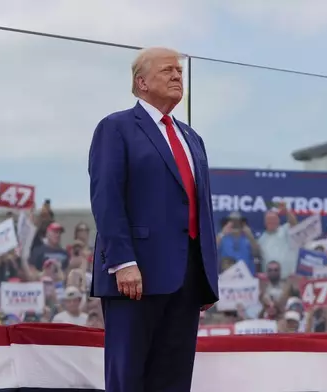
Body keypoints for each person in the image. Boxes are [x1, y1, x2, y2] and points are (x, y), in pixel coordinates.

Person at [88, 47, 219, 392]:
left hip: (187, 279)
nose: (178, 76)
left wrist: (206, 275)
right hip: (136, 275)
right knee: (129, 376)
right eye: (168, 71)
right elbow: (106, 197)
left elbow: (201, 208)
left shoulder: (193, 138)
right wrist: (122, 261)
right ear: (141, 82)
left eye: (179, 71)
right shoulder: (115, 127)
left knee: (174, 379)